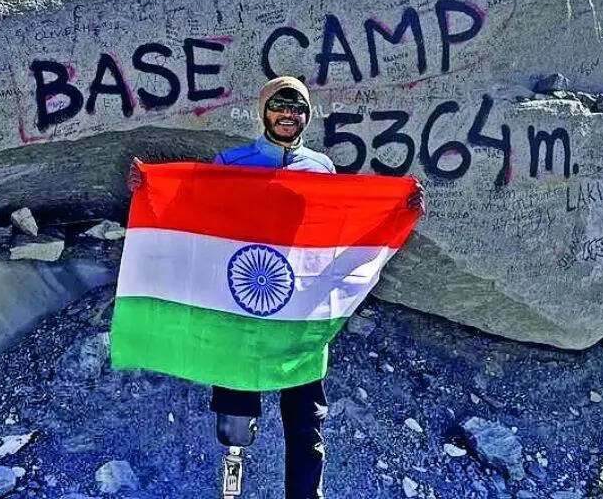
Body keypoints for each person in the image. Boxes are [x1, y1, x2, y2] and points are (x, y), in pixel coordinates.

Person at [127, 75, 421, 498]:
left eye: (298, 108)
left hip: (299, 311)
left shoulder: (321, 169)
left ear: (307, 116)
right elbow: (192, 215)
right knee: (235, 426)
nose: (288, 114)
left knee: (307, 424)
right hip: (240, 307)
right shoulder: (232, 163)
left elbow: (340, 232)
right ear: (263, 111)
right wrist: (148, 191)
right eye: (279, 105)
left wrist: (399, 212)